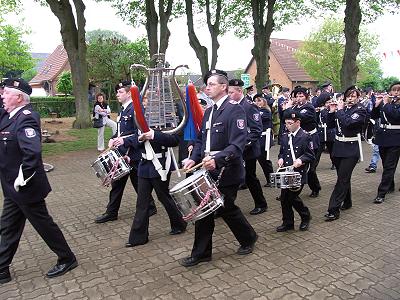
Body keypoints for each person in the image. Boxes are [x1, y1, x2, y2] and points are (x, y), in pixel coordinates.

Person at [0, 78, 77, 284]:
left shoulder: (26, 118)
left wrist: (21, 178)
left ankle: (67, 258)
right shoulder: (8, 116)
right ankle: (2, 268)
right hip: (11, 188)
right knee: (8, 226)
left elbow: (32, 153)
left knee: (43, 225)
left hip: (25, 186)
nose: (2, 96)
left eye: (6, 93)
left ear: (18, 98)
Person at [180, 70, 258, 267]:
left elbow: (238, 144)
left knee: (222, 208)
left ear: (223, 87)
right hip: (207, 169)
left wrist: (218, 159)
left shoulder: (235, 110)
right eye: (207, 84)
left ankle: (246, 239)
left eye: (212, 84)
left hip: (227, 170)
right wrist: (192, 158)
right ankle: (204, 252)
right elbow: (200, 141)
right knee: (210, 210)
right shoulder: (209, 111)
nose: (207, 87)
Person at [95, 81, 157, 224]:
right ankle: (112, 212)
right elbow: (121, 131)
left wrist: (123, 140)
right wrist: (112, 139)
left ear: (129, 93)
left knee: (138, 184)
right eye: (117, 92)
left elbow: (141, 133)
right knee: (117, 184)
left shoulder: (136, 109)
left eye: (120, 92)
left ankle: (150, 206)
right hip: (123, 154)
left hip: (134, 154)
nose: (117, 94)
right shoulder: (124, 109)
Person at [124, 119, 187, 247]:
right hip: (144, 165)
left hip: (160, 165)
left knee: (163, 196)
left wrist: (153, 135)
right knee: (142, 202)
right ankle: (138, 237)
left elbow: (174, 140)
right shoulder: (140, 119)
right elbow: (136, 141)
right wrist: (140, 139)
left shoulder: (167, 117)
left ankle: (179, 223)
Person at [324, 85, 366, 220]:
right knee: (343, 177)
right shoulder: (342, 109)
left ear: (358, 98)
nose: (350, 98)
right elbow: (330, 125)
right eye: (348, 96)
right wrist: (331, 111)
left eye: (353, 96)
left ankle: (333, 209)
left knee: (342, 179)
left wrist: (340, 110)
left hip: (351, 148)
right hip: (338, 147)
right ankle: (347, 202)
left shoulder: (360, 110)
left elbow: (348, 123)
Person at [228, 79, 267, 215]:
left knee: (250, 177)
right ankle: (226, 207)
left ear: (239, 91)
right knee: (231, 178)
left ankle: (261, 204)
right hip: (234, 149)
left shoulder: (249, 106)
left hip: (247, 150)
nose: (229, 95)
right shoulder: (230, 106)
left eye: (231, 92)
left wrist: (243, 145)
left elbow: (256, 130)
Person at [276, 109, 314, 232]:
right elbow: (282, 152)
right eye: (286, 123)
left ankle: (305, 216)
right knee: (284, 198)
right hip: (286, 172)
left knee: (292, 197)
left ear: (298, 122)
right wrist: (281, 158)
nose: (287, 126)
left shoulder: (305, 136)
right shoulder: (285, 136)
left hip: (298, 173)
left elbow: (310, 155)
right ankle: (288, 222)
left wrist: (300, 160)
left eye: (290, 123)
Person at [283, 86, 321, 198]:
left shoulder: (308, 107)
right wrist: (287, 109)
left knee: (310, 169)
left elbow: (299, 118)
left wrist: (289, 109)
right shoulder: (295, 107)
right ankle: (289, 190)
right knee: (295, 165)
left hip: (311, 140)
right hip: (298, 141)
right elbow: (285, 118)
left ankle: (315, 188)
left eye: (301, 96)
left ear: (306, 97)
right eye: (297, 96)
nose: (299, 98)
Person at [371, 82, 400, 204]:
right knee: (386, 164)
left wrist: (386, 103)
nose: (396, 93)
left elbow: (396, 115)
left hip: (395, 138)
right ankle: (390, 185)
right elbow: (374, 116)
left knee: (389, 166)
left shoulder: (391, 104)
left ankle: (381, 193)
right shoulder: (388, 103)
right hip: (383, 137)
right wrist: (377, 105)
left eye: (399, 91)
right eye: (394, 90)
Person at [253, 93, 274, 187]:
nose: (257, 102)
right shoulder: (256, 110)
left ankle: (271, 179)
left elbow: (257, 118)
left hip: (263, 139)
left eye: (259, 100)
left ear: (264, 101)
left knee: (264, 160)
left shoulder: (265, 111)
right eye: (256, 101)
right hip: (256, 139)